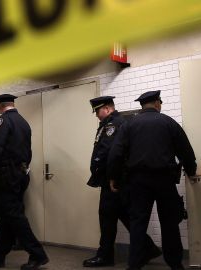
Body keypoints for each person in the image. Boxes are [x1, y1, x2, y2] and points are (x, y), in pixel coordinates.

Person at [108, 90, 200, 270]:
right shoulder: (168, 122)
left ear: (143, 105)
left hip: (138, 182)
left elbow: (116, 153)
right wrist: (191, 171)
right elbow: (186, 151)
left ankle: (134, 265)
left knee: (138, 224)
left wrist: (113, 177)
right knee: (170, 223)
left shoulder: (129, 124)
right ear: (157, 103)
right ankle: (175, 263)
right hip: (165, 180)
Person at [84, 97, 161, 267]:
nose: (96, 115)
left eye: (97, 111)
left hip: (113, 178)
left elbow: (109, 152)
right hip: (119, 178)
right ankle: (148, 248)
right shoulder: (116, 122)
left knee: (106, 218)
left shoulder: (113, 125)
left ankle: (105, 256)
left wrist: (106, 174)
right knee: (123, 214)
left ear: (107, 108)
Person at [0, 94, 48, 270]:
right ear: (12, 104)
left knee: (14, 215)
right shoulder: (23, 122)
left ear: (0, 106)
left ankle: (37, 254)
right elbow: (28, 150)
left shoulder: (1, 121)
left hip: (6, 175)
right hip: (20, 173)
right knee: (6, 216)